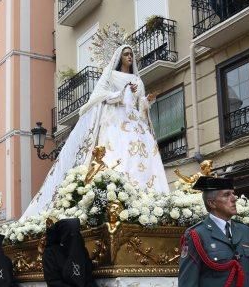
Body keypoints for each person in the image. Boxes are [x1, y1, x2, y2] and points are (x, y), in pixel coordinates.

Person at [22, 45, 165, 218]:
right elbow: (99, 95)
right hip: (115, 119)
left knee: (142, 159)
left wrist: (147, 101)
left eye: (131, 55)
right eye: (126, 54)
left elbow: (138, 103)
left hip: (134, 122)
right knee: (117, 156)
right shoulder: (110, 74)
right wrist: (122, 92)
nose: (130, 57)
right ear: (119, 57)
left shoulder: (137, 79)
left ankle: (146, 200)